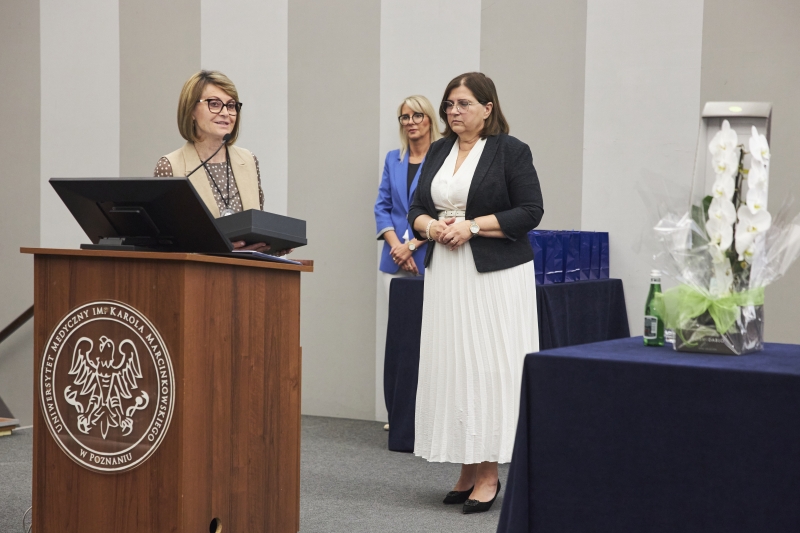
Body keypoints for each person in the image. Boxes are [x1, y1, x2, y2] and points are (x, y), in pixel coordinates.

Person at [407, 72, 543, 514]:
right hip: (447, 270)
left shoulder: (511, 150)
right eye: (449, 104)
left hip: (495, 276)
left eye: (463, 104)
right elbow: (416, 208)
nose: (453, 111)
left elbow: (531, 211)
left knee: (487, 365)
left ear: (488, 108)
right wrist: (432, 227)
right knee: (456, 365)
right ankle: (467, 468)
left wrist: (472, 226)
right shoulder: (439, 150)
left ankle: (489, 473)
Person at [154, 70, 272, 253]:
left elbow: (258, 226)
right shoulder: (170, 166)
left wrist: (274, 245)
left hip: (248, 269)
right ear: (191, 110)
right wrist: (219, 249)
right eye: (214, 104)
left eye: (231, 106)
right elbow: (165, 243)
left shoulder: (248, 160)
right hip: (197, 270)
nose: (225, 113)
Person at [374, 95, 441, 296]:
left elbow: (443, 212)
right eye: (405, 117)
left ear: (430, 119)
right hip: (394, 260)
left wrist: (410, 246)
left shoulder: (443, 158)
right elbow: (382, 207)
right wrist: (398, 250)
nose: (411, 122)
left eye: (417, 115)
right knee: (397, 316)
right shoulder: (392, 158)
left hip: (430, 258)